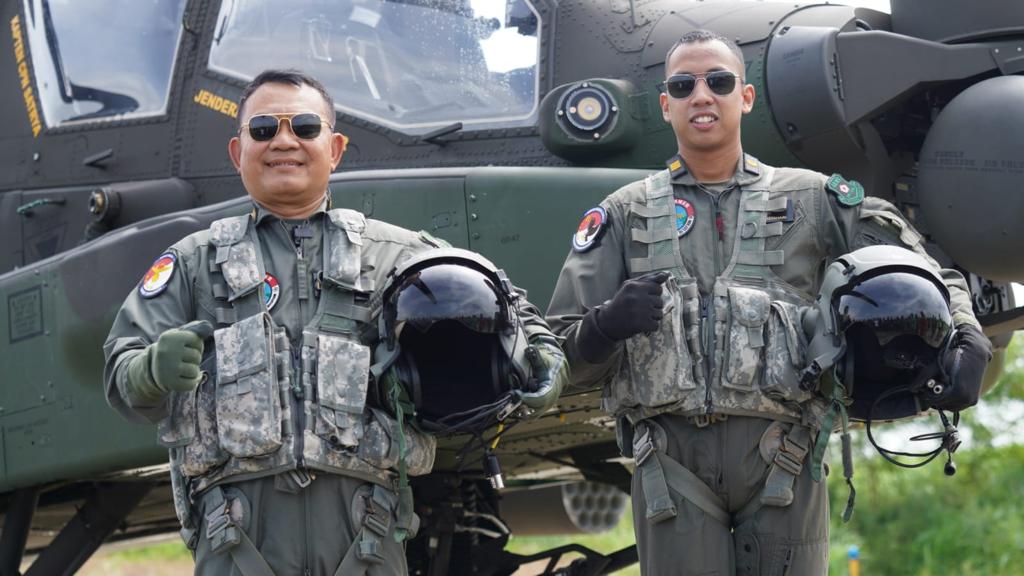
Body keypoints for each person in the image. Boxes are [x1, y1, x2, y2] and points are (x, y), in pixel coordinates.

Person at [545, 30, 991, 575]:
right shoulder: (623, 213)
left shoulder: (812, 198)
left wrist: (967, 333)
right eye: (683, 86)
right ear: (665, 105)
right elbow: (559, 356)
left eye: (719, 82)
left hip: (785, 454)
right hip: (669, 463)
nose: (701, 96)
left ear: (746, 96)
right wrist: (605, 326)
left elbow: (922, 269)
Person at [103, 69, 565, 576]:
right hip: (238, 542)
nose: (284, 142)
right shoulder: (194, 263)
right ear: (238, 153)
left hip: (366, 538)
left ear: (335, 148)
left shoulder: (394, 255)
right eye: (263, 129)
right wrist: (151, 370)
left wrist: (546, 363)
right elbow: (122, 374)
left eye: (304, 127)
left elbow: (511, 309)